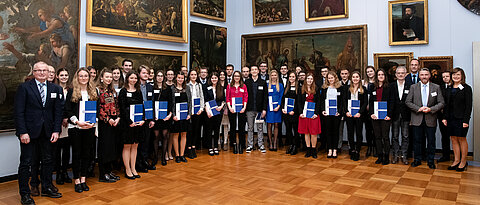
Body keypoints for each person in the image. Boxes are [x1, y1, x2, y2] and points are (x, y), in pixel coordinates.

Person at [15, 62, 64, 204]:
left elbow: (58, 112)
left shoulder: (56, 88)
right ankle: (25, 194)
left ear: (49, 72)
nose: (42, 73)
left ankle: (47, 187)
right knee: (26, 163)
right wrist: (22, 132)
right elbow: (19, 112)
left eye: (45, 70)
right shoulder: (24, 88)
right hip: (29, 133)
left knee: (48, 161)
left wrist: (56, 130)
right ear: (34, 72)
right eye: (39, 70)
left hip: (48, 132)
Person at [65, 67, 98, 192]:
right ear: (77, 77)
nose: (83, 78)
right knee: (77, 154)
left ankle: (83, 179)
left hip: (89, 128)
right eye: (81, 76)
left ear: (89, 78)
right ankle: (77, 180)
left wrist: (93, 122)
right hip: (76, 128)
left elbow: (97, 109)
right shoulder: (72, 91)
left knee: (86, 154)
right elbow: (67, 109)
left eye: (86, 76)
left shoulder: (93, 92)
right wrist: (77, 121)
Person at [406, 68, 444, 169]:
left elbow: (441, 103)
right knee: (417, 140)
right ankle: (417, 159)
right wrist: (419, 108)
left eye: (426, 75)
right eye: (422, 75)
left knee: (431, 141)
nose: (424, 77)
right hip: (416, 118)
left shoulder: (436, 87)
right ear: (419, 76)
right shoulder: (413, 87)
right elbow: (408, 102)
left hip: (430, 118)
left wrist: (430, 109)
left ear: (429, 76)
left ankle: (430, 160)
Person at [442, 68, 472, 172]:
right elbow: (446, 105)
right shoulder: (449, 88)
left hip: (461, 119)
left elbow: (468, 106)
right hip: (450, 118)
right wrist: (444, 118)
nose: (456, 76)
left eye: (458, 75)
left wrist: (466, 120)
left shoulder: (467, 88)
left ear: (462, 76)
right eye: (454, 74)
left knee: (462, 139)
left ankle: (463, 162)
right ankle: (456, 160)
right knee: (453, 139)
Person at [118, 71, 145, 179]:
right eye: (131, 78)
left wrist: (142, 119)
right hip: (127, 124)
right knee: (127, 146)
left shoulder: (138, 91)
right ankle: (127, 169)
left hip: (137, 123)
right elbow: (122, 108)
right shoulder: (123, 91)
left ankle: (133, 168)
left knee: (135, 146)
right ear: (127, 78)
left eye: (135, 78)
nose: (133, 80)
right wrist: (129, 122)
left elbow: (141, 106)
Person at [96, 69, 121, 183]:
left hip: (114, 122)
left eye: (110, 77)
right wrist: (108, 119)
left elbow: (116, 105)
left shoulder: (112, 91)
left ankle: (109, 171)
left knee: (112, 148)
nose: (109, 79)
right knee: (104, 149)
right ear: (101, 78)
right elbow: (99, 108)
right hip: (104, 123)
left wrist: (118, 118)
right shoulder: (98, 91)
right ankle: (103, 174)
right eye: (107, 77)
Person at [369, 68, 392, 165]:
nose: (381, 76)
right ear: (376, 76)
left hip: (385, 116)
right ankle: (379, 156)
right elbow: (370, 102)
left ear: (385, 76)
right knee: (377, 137)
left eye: (382, 74)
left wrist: (389, 115)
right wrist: (371, 113)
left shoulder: (390, 87)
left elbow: (392, 102)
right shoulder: (372, 87)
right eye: (379, 75)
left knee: (385, 137)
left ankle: (386, 156)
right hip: (375, 116)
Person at [389, 66, 411, 165]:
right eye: (399, 73)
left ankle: (404, 155)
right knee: (395, 136)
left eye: (402, 73)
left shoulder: (411, 86)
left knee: (405, 136)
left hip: (406, 115)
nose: (400, 75)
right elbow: (390, 101)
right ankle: (395, 155)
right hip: (395, 115)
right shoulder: (391, 86)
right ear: (396, 74)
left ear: (406, 74)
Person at [321, 71, 345, 158]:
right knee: (328, 132)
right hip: (327, 114)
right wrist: (323, 110)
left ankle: (335, 150)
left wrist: (340, 111)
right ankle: (329, 149)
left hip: (336, 114)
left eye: (332, 77)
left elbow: (342, 102)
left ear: (335, 78)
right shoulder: (324, 88)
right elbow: (322, 101)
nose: (330, 79)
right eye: (329, 78)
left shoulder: (340, 88)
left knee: (335, 132)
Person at [344, 71, 367, 161]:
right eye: (353, 77)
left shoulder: (363, 89)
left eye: (357, 77)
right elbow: (344, 101)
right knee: (350, 133)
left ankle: (357, 150)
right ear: (351, 78)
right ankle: (352, 149)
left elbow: (365, 103)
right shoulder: (347, 89)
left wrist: (360, 113)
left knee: (358, 133)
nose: (355, 78)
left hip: (359, 115)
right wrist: (346, 111)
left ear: (359, 78)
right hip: (349, 115)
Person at [54, 68, 72, 185]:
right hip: (57, 124)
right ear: (57, 76)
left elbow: (70, 106)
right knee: (56, 151)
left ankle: (65, 172)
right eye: (62, 75)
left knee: (66, 150)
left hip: (68, 124)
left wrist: (66, 118)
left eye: (66, 75)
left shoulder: (71, 90)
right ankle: (59, 173)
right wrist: (60, 119)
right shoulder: (54, 89)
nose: (64, 77)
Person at [136, 65, 155, 171]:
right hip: (138, 117)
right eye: (144, 73)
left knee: (146, 141)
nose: (146, 75)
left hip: (147, 118)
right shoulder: (135, 86)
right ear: (139, 74)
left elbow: (151, 103)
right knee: (138, 142)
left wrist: (152, 119)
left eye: (147, 73)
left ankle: (144, 161)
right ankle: (137, 163)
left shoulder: (150, 87)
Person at [298, 73, 321, 158]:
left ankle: (314, 150)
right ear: (305, 80)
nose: (309, 80)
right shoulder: (301, 89)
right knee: (306, 132)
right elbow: (299, 102)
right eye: (308, 79)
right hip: (304, 114)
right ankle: (308, 150)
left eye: (311, 79)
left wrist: (316, 113)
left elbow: (319, 102)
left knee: (313, 133)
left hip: (313, 115)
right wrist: (301, 112)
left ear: (313, 80)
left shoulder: (317, 89)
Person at [245, 66, 267, 153]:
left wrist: (264, 109)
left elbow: (265, 97)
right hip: (249, 109)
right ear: (250, 72)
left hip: (259, 110)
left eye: (255, 69)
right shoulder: (247, 82)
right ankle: (250, 145)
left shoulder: (263, 82)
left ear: (258, 71)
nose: (254, 71)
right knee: (250, 128)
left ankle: (261, 144)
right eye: (252, 70)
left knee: (260, 128)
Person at [152, 70, 172, 166]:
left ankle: (163, 157)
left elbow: (171, 102)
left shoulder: (167, 89)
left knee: (165, 136)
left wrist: (169, 115)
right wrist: (152, 115)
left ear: (164, 77)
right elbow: (150, 103)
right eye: (158, 76)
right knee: (156, 136)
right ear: (155, 77)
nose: (160, 77)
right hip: (155, 117)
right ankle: (156, 157)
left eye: (161, 76)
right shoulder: (152, 88)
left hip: (165, 117)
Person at [171, 71, 191, 163]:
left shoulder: (187, 88)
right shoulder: (172, 89)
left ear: (184, 79)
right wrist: (173, 115)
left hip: (185, 116)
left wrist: (189, 114)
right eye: (179, 78)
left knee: (184, 134)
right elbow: (172, 103)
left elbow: (190, 102)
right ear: (176, 78)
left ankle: (182, 154)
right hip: (176, 117)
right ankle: (177, 155)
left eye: (182, 78)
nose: (180, 80)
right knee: (176, 135)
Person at [226, 71, 248, 154]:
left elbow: (245, 97)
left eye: (238, 76)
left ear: (240, 77)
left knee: (242, 127)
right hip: (232, 108)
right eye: (235, 76)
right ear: (233, 77)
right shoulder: (229, 86)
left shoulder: (244, 86)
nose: (236, 78)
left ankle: (242, 144)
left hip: (242, 108)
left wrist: (244, 107)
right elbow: (227, 98)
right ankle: (234, 144)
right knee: (233, 126)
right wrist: (230, 107)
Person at [204, 72, 225, 156]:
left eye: (215, 78)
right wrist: (207, 111)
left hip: (218, 112)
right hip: (209, 112)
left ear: (218, 79)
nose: (214, 80)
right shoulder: (207, 88)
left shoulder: (221, 88)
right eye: (212, 78)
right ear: (210, 79)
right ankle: (210, 147)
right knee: (209, 130)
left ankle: (216, 146)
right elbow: (205, 101)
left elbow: (224, 100)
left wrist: (221, 107)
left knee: (217, 130)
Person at [186, 69, 205, 159]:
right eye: (192, 74)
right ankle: (188, 148)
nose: (193, 76)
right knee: (189, 130)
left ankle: (193, 147)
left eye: (195, 75)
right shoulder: (186, 85)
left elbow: (201, 97)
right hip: (189, 111)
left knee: (196, 130)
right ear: (189, 76)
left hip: (197, 111)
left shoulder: (199, 85)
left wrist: (201, 108)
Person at [282, 71, 299, 155]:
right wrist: (282, 108)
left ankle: (295, 146)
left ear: (296, 78)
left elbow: (299, 102)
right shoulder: (287, 87)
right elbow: (283, 99)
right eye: (290, 77)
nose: (291, 78)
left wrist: (294, 111)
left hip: (294, 113)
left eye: (293, 77)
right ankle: (291, 145)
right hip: (286, 113)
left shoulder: (299, 87)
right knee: (288, 130)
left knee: (295, 130)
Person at [266, 70, 284, 151]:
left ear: (277, 76)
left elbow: (281, 97)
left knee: (276, 125)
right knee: (269, 125)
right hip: (269, 108)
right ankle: (270, 142)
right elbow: (265, 97)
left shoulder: (280, 85)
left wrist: (278, 106)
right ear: (270, 76)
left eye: (275, 75)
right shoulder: (267, 85)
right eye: (272, 75)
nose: (273, 77)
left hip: (277, 108)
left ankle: (275, 142)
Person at [438, 71, 451, 162]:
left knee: (455, 137)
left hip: (453, 115)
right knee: (445, 136)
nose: (445, 78)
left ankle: (459, 157)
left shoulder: (456, 87)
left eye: (447, 76)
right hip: (442, 116)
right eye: (443, 77)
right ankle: (445, 156)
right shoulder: (440, 87)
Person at [362, 66, 376, 157]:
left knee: (375, 130)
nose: (369, 73)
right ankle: (369, 147)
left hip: (375, 110)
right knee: (368, 130)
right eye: (367, 72)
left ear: (374, 72)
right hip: (365, 110)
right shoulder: (363, 83)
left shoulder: (378, 82)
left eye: (371, 71)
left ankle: (375, 148)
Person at [338, 68, 350, 152]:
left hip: (350, 111)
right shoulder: (338, 84)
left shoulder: (352, 84)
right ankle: (339, 146)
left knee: (350, 129)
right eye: (342, 74)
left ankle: (350, 146)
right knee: (339, 130)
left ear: (348, 74)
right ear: (340, 75)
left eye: (346, 73)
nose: (344, 75)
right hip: (340, 111)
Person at [219, 70, 230, 150]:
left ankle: (225, 141)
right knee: (218, 124)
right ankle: (218, 141)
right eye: (221, 74)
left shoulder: (228, 85)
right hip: (218, 107)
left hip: (226, 107)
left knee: (225, 124)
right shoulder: (216, 84)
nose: (222, 76)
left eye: (223, 75)